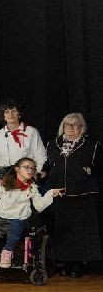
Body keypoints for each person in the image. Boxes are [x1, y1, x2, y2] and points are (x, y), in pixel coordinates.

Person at [0, 158, 63, 268]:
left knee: (16, 225)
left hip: (19, 218)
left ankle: (7, 252)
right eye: (26, 167)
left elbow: (39, 206)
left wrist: (50, 193)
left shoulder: (32, 188)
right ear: (17, 169)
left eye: (33, 168)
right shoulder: (5, 184)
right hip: (1, 215)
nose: (30, 170)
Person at [45, 113, 100, 277]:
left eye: (74, 124)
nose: (70, 127)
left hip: (83, 195)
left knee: (80, 232)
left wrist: (89, 171)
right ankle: (64, 262)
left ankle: (78, 264)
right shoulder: (52, 144)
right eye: (67, 124)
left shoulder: (92, 145)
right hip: (60, 195)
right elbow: (48, 167)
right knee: (63, 231)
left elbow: (99, 169)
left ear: (81, 128)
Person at [0, 100, 47, 174]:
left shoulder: (31, 132)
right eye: (7, 112)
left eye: (13, 111)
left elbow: (40, 155)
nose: (10, 114)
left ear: (19, 114)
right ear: (3, 116)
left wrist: (36, 172)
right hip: (5, 176)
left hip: (26, 174)